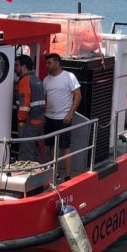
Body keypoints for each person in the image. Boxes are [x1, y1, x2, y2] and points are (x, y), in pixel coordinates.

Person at [42, 52, 82, 180]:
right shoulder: (46, 79)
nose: (47, 65)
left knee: (64, 147)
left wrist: (70, 114)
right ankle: (55, 172)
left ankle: (68, 175)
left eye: (49, 63)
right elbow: (45, 98)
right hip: (49, 117)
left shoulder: (69, 77)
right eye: (47, 63)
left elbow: (78, 95)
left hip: (63, 118)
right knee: (52, 146)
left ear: (57, 63)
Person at [13, 54, 45, 162]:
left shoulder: (25, 80)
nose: (15, 69)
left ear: (24, 67)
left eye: (17, 66)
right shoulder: (36, 79)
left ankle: (25, 173)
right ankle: (37, 170)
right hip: (38, 120)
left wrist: (21, 120)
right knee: (34, 148)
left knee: (26, 150)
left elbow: (24, 104)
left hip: (29, 121)